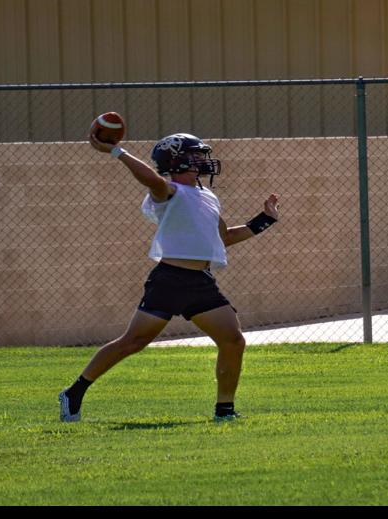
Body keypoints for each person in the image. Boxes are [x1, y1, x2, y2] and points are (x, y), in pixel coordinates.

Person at [59, 131, 280, 423]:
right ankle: (74, 392)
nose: (202, 160)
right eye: (195, 154)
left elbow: (223, 237)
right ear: (174, 160)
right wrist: (116, 152)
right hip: (170, 279)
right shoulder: (167, 191)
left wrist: (265, 220)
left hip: (200, 282)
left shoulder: (208, 196)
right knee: (133, 342)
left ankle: (225, 411)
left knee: (233, 341)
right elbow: (152, 180)